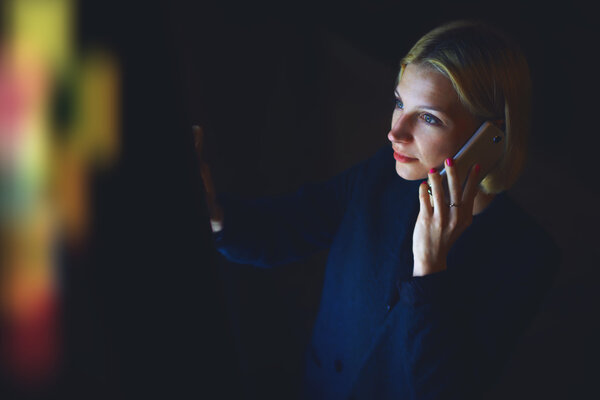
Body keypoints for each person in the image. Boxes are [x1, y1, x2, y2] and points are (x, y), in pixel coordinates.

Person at [195, 20, 559, 399]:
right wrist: (213, 211)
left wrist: (430, 270)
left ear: (492, 137)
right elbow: (285, 227)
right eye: (400, 102)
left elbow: (445, 388)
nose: (396, 132)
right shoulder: (381, 175)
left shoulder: (528, 256)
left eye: (429, 117)